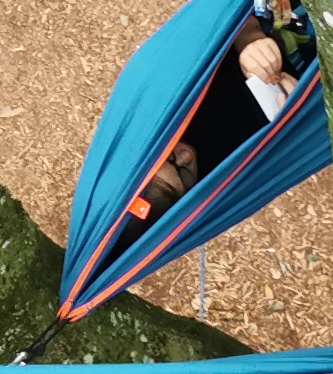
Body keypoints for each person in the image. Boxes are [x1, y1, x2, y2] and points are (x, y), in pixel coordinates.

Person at [127, 27, 306, 225]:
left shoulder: (165, 103)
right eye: (185, 175)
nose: (186, 155)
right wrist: (300, 120)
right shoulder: (228, 183)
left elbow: (226, 14)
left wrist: (249, 39)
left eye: (169, 158)